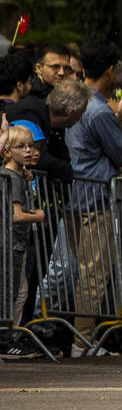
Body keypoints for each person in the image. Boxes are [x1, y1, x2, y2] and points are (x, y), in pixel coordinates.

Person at [67, 41, 122, 355]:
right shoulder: (98, 110)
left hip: (73, 197)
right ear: (110, 70)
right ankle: (81, 341)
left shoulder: (70, 100)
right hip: (95, 198)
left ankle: (82, 337)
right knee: (94, 274)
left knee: (85, 270)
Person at [4, 123, 44, 329]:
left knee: (19, 291)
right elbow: (16, 215)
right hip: (11, 244)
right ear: (7, 151)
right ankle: (6, 338)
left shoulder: (18, 176)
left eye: (30, 146)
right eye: (21, 147)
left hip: (16, 243)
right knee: (15, 294)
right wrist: (38, 216)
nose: (29, 150)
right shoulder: (12, 178)